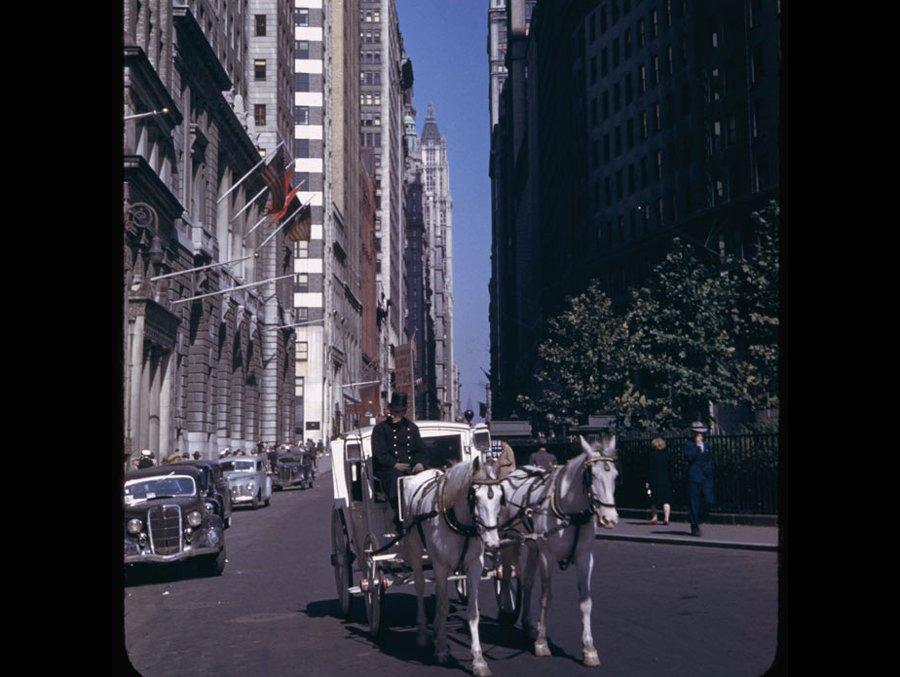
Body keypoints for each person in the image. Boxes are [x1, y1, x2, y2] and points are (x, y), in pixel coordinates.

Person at [371, 393, 428, 533]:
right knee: (396, 478)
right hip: (389, 469)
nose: (397, 415)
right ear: (390, 410)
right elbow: (379, 454)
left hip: (410, 467)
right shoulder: (380, 429)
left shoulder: (412, 428)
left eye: (400, 412)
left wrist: (419, 463)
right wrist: (394, 464)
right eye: (395, 412)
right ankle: (399, 516)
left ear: (404, 412)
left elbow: (420, 449)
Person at [684, 421, 715, 537]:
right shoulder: (688, 444)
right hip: (694, 477)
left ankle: (700, 518)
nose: (700, 436)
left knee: (709, 500)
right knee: (694, 503)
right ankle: (694, 526)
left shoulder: (706, 445)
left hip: (705, 477)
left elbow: (708, 459)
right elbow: (689, 457)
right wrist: (697, 448)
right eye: (697, 433)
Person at [646, 437, 672, 526]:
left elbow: (649, 469)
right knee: (666, 500)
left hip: (654, 480)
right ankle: (666, 518)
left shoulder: (652, 455)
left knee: (653, 500)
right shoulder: (666, 455)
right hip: (665, 480)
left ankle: (654, 517)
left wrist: (647, 481)